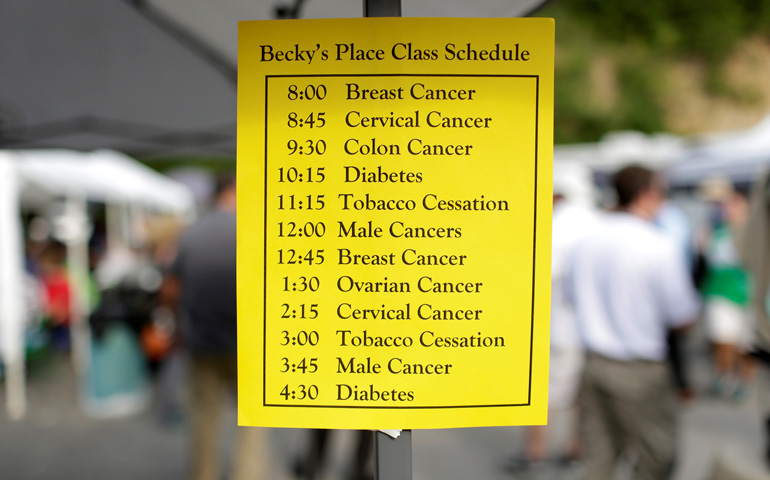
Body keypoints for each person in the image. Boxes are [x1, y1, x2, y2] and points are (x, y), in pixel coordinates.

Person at [566, 165, 700, 480]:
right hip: (638, 366)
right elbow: (683, 316)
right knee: (657, 455)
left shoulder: (588, 238)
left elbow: (572, 296)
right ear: (647, 194)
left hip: (594, 360)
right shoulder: (656, 243)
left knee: (599, 457)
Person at [164, 172, 265, 480]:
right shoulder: (254, 231)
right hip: (248, 346)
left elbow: (169, 290)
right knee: (252, 423)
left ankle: (204, 475)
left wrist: (181, 324)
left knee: (205, 420)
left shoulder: (192, 234)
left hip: (201, 342)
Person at [698, 179, 756, 400]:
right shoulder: (716, 230)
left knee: (748, 343)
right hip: (721, 292)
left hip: (750, 295)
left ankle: (743, 379)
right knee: (722, 338)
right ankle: (725, 373)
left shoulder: (756, 232)